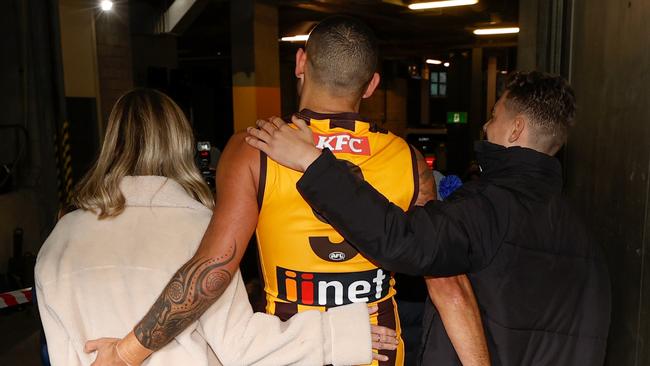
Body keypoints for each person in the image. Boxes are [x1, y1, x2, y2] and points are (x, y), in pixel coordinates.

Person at [87, 16, 489, 366]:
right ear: (371, 86)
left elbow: (213, 268)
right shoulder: (408, 161)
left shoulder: (254, 149)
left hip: (289, 351)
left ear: (300, 63)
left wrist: (126, 353)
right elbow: (447, 282)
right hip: (377, 352)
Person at [245, 71, 612, 365]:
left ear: (515, 129)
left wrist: (313, 164)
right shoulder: (585, 238)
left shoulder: (486, 207)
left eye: (494, 117)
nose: (485, 127)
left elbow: (404, 242)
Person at [35, 88, 392, 366]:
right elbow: (240, 346)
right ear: (180, 145)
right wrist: (338, 332)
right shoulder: (201, 230)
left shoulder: (61, 238)